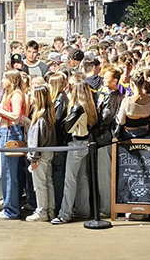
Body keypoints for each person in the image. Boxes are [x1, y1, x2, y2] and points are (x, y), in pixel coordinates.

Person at [51, 78, 97, 224]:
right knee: (82, 178)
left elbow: (67, 127)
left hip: (76, 145)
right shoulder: (89, 105)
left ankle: (65, 214)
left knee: (70, 180)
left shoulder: (77, 107)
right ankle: (84, 210)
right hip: (85, 143)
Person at [0, 70, 25, 220]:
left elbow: (17, 116)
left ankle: (11, 209)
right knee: (5, 173)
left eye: (5, 77)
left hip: (10, 133)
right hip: (4, 132)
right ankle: (9, 206)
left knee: (9, 173)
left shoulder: (16, 95)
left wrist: (0, 109)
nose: (2, 80)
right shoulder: (7, 94)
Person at [26, 85, 58, 222]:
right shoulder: (49, 115)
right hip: (48, 152)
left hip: (39, 155)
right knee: (48, 182)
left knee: (40, 184)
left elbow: (36, 141)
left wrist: (33, 158)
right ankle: (50, 210)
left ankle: (42, 211)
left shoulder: (39, 118)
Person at [95, 66, 122, 217]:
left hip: (106, 139)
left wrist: (97, 114)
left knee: (105, 176)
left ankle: (106, 208)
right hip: (108, 139)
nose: (104, 80)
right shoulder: (115, 96)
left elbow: (106, 119)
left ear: (115, 80)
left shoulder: (112, 97)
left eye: (106, 78)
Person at [48, 73, 69, 214]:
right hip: (57, 142)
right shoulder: (59, 100)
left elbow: (56, 121)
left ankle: (59, 206)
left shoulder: (61, 101)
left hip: (59, 143)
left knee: (58, 175)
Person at [116, 70, 150, 139]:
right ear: (144, 84)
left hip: (129, 135)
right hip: (145, 133)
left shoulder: (127, 101)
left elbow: (121, 121)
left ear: (132, 84)